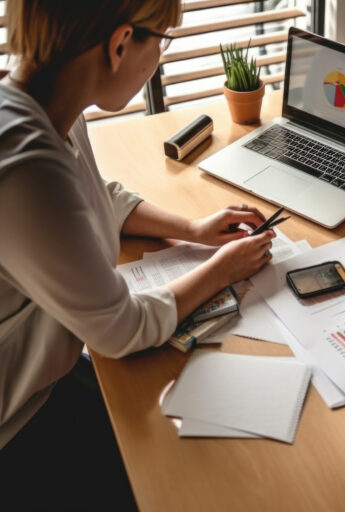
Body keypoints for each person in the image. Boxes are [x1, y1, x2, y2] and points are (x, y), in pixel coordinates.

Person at [0, 1, 275, 509]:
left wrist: (192, 228)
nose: (161, 60)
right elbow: (121, 330)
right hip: (15, 426)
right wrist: (223, 269)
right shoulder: (24, 167)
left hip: (48, 381)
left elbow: (93, 196)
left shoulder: (42, 107)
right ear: (121, 43)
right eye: (163, 40)